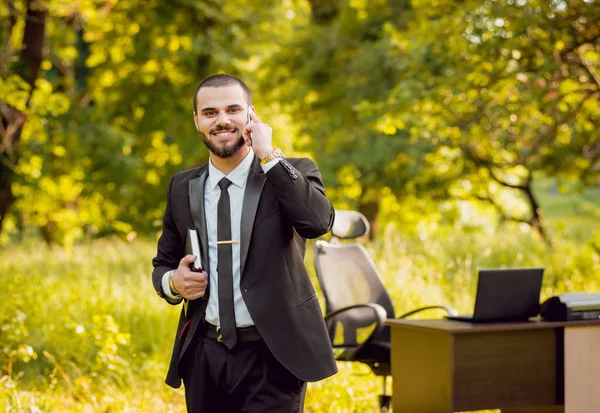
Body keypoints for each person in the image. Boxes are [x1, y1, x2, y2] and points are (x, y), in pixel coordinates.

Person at [151, 73, 337, 412]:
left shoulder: (289, 171)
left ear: (251, 115)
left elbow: (317, 222)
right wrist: (173, 283)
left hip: (275, 357)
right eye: (210, 112)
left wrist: (269, 156)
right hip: (204, 356)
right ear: (197, 121)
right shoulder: (182, 188)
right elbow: (163, 264)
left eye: (232, 109)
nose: (222, 120)